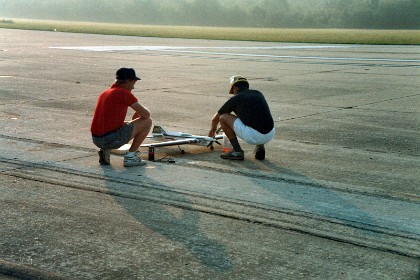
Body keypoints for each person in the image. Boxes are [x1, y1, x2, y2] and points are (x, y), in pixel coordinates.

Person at [91, 68, 152, 167]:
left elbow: (107, 119)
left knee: (126, 124)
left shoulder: (106, 92)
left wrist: (128, 123)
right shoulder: (123, 93)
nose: (133, 87)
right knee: (148, 121)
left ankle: (104, 151)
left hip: (96, 139)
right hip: (109, 139)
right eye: (133, 83)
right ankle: (130, 157)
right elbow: (146, 115)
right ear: (127, 81)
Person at [208, 75, 275, 160]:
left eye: (233, 91)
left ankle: (237, 151)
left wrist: (212, 132)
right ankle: (260, 148)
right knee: (258, 116)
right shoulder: (258, 93)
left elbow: (215, 119)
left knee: (223, 117)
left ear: (235, 88)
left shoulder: (236, 98)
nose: (233, 93)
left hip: (254, 136)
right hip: (270, 133)